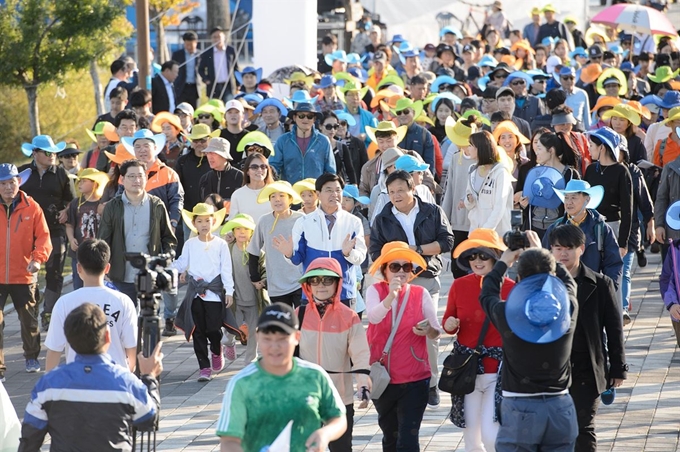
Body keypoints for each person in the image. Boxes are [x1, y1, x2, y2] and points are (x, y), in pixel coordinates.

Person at [479, 231, 580, 452]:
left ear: (519, 278)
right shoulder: (567, 309)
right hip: (560, 406)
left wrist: (503, 262)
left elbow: (487, 295)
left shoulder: (508, 312)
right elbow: (569, 284)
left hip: (520, 406)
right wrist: (543, 252)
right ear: (552, 273)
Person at [19, 303, 162, 452]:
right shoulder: (127, 383)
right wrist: (149, 377)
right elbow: (148, 419)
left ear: (68, 339)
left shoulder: (48, 385)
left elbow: (29, 439)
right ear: (107, 336)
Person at [370, 170, 454, 407]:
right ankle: (400, 380)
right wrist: (395, 266)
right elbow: (376, 252)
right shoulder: (382, 218)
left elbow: (447, 241)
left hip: (427, 277)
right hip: (397, 281)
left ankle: (431, 384)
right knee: (399, 332)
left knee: (429, 331)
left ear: (412, 189)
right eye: (391, 192)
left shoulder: (432, 211)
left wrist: (416, 250)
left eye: (400, 190)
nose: (395, 195)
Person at [216, 302, 347, 451]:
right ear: (257, 336)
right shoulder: (242, 383)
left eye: (282, 339)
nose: (275, 347)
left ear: (297, 337)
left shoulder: (315, 376)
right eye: (267, 339)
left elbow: (338, 418)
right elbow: (228, 440)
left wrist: (325, 433)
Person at [547, 224, 627, 452]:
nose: (563, 254)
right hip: (551, 368)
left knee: (583, 427)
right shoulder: (543, 284)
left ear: (581, 248)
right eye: (558, 248)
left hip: (587, 368)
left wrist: (618, 368)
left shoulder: (601, 284)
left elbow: (614, 328)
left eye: (569, 248)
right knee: (556, 429)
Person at [366, 241, 443, 451]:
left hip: (415, 378)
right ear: (384, 269)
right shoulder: (375, 291)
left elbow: (437, 331)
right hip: (383, 378)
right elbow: (373, 318)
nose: (401, 272)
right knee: (390, 437)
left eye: (406, 267)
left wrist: (428, 331)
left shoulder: (420, 293)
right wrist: (391, 296)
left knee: (408, 440)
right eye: (394, 266)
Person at [443, 229, 515, 452]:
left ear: (496, 256)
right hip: (468, 373)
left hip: (499, 372)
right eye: (472, 256)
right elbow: (447, 321)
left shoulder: (512, 288)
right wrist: (450, 324)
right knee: (471, 440)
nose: (477, 260)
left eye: (483, 255)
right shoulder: (459, 285)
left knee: (491, 435)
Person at [297, 257, 371, 452]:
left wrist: (363, 383)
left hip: (339, 399)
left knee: (341, 449)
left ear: (338, 283)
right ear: (308, 285)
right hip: (305, 398)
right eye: (315, 280)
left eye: (327, 280)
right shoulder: (298, 314)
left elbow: (360, 354)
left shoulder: (349, 317)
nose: (321, 285)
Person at [273, 173, 367, 307]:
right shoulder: (304, 222)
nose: (334, 194)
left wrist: (348, 253)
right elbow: (297, 259)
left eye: (338, 190)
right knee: (311, 328)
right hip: (313, 292)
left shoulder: (353, 222)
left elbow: (361, 256)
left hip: (344, 292)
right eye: (329, 190)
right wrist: (289, 254)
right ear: (318, 194)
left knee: (344, 328)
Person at [44, 239, 138, 372]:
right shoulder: (123, 301)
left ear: (78, 268)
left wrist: (50, 385)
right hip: (115, 381)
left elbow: (54, 350)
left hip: (78, 383)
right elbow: (132, 347)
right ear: (107, 268)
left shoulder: (64, 303)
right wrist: (129, 372)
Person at [97, 159, 177, 303]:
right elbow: (103, 240)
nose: (137, 180)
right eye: (131, 176)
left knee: (149, 318)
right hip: (121, 274)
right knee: (123, 319)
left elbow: (168, 239)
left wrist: (165, 260)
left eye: (140, 175)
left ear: (146, 178)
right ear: (122, 179)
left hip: (149, 275)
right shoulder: (112, 207)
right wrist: (102, 268)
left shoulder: (157, 205)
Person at [0, 164, 51, 379]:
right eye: (3, 183)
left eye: (12, 182)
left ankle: (31, 356)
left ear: (19, 182)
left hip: (25, 274)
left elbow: (44, 238)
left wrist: (37, 259)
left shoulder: (32, 207)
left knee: (29, 321)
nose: (8, 187)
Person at [18, 135, 75, 331]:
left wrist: (66, 211)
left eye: (54, 152)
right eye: (48, 152)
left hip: (54, 230)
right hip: (25, 231)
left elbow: (71, 201)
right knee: (26, 272)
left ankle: (48, 312)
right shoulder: (22, 173)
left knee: (55, 271)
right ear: (35, 154)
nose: (53, 156)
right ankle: (30, 307)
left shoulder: (61, 174)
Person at [173, 203, 233, 382]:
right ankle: (204, 367)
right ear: (194, 224)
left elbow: (226, 269)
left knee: (214, 328)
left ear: (214, 222)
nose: (204, 224)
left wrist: (229, 291)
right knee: (197, 330)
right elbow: (182, 263)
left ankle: (216, 350)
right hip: (195, 293)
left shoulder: (221, 244)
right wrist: (165, 265)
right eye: (200, 221)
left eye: (207, 220)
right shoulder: (190, 244)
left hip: (214, 292)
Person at [543, 180, 623, 289]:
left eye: (574, 198)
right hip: (561, 289)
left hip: (592, 289)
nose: (569, 202)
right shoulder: (555, 228)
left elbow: (613, 264)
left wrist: (609, 289)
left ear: (587, 200)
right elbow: (545, 260)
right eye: (566, 197)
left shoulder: (601, 228)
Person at [248, 181, 305, 308]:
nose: (277, 200)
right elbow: (253, 250)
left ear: (290, 199)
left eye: (282, 196)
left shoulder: (301, 218)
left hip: (300, 281)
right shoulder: (264, 221)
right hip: (276, 284)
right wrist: (255, 277)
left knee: (303, 322)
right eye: (273, 196)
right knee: (284, 325)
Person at [221, 213, 269, 364]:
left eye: (246, 229)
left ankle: (250, 361)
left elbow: (265, 270)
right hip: (235, 299)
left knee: (254, 333)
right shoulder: (228, 249)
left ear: (252, 232)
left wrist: (263, 281)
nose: (242, 232)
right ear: (233, 232)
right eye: (238, 229)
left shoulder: (258, 252)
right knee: (230, 327)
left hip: (254, 300)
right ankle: (228, 343)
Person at [583, 127, 633, 263]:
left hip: (612, 226)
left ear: (602, 148)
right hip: (590, 227)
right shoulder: (591, 169)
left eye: (592, 145)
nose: (589, 149)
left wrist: (623, 243)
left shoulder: (621, 171)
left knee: (611, 271)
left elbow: (627, 209)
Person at [64, 169, 109, 290]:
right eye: (79, 181)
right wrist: (71, 238)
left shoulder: (104, 204)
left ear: (95, 183)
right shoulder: (75, 203)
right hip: (78, 251)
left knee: (100, 284)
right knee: (79, 285)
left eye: (84, 181)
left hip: (99, 252)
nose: (80, 184)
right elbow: (69, 225)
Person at [270, 103, 336, 184]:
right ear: (294, 118)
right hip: (290, 192)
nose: (305, 119)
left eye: (310, 116)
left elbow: (330, 171)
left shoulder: (323, 141)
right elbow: (273, 168)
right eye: (301, 116)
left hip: (315, 192)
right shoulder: (282, 140)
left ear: (314, 119)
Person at [464, 130, 513, 235]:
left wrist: (485, 231)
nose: (468, 148)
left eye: (470, 145)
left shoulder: (501, 172)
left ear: (480, 148)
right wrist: (469, 200)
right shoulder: (472, 170)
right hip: (475, 231)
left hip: (496, 235)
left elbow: (499, 206)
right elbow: (469, 203)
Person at [175, 123, 213, 240]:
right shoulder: (182, 161)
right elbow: (177, 186)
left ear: (209, 140)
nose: (199, 144)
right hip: (189, 212)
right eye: (196, 141)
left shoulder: (215, 159)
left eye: (202, 140)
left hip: (211, 213)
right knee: (190, 245)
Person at [228, 152, 275, 222]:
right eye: (254, 167)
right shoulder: (237, 195)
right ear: (247, 171)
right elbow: (233, 221)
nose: (259, 170)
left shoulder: (274, 192)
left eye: (263, 166)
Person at [392, 98, 436, 172]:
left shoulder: (424, 134)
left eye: (406, 112)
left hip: (419, 177)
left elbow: (430, 164)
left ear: (413, 113)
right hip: (399, 179)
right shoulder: (394, 134)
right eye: (399, 112)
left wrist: (428, 182)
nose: (402, 115)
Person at [198, 26, 240, 102]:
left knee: (229, 106)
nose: (217, 39)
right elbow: (200, 69)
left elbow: (236, 68)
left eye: (219, 36)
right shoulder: (207, 53)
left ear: (224, 37)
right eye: (214, 37)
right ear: (211, 39)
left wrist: (238, 84)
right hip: (213, 86)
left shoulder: (230, 50)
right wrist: (206, 79)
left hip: (228, 85)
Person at [199, 137, 244, 202]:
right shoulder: (204, 179)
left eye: (213, 153)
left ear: (224, 156)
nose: (210, 157)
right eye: (208, 153)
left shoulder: (239, 176)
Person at [319, 111, 357, 185]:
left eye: (335, 126)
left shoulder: (341, 147)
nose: (332, 130)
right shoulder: (313, 146)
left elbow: (350, 170)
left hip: (336, 186)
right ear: (320, 126)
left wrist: (354, 186)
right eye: (328, 127)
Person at [171, 31, 200, 108]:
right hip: (181, 87)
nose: (189, 47)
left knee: (194, 110)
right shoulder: (177, 55)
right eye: (187, 45)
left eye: (191, 44)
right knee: (181, 109)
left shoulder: (200, 55)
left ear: (196, 43)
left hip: (195, 87)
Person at [219, 100, 250, 168]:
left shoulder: (248, 136)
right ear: (225, 116)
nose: (233, 115)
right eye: (230, 112)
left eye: (236, 112)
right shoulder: (219, 135)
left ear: (243, 116)